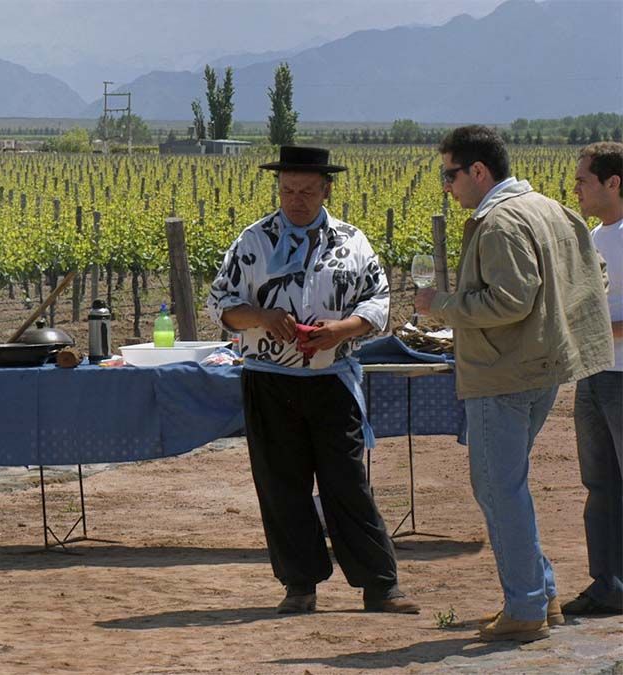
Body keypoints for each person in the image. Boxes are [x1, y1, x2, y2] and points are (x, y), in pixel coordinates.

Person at [415, 126, 614, 641]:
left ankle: (526, 606)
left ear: (479, 171)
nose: (447, 186)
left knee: (498, 488)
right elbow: (587, 280)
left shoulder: (501, 222)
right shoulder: (549, 208)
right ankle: (542, 594)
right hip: (541, 367)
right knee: (510, 486)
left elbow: (509, 302)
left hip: (501, 372)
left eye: (450, 174)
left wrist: (440, 305)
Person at [207, 145, 418, 615]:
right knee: (282, 486)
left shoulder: (352, 241)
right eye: (287, 190)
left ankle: (380, 584)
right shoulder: (252, 242)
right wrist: (262, 315)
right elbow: (221, 304)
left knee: (346, 481)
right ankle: (299, 584)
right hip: (269, 382)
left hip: (331, 381)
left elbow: (378, 302)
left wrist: (340, 331)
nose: (295, 199)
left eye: (306, 191)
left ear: (326, 189)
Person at [564, 141, 623, 617]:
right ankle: (608, 585)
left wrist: (592, 330)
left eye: (584, 179)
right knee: (599, 485)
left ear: (613, 182)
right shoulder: (591, 237)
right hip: (593, 375)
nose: (576, 188)